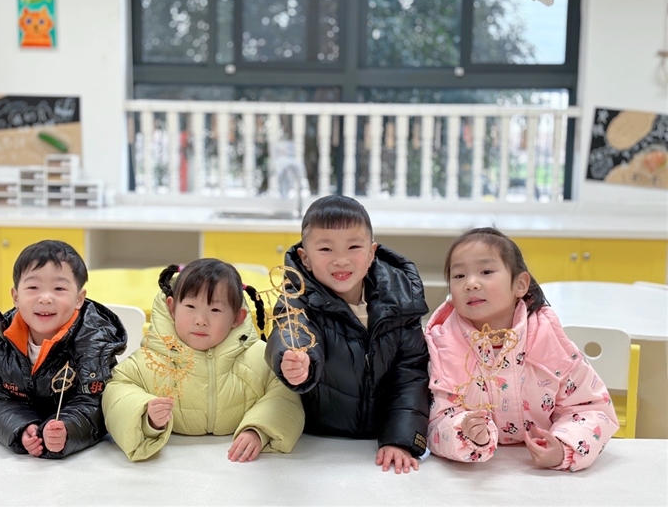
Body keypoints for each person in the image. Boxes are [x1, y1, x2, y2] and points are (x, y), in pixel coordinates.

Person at [425, 227, 618, 471]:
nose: (471, 284)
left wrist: (563, 448)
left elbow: (591, 408)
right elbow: (434, 421)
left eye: (486, 272)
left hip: (539, 477)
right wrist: (464, 433)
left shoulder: (549, 341)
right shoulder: (442, 348)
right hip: (477, 477)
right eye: (459, 275)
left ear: (520, 284)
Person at [265, 195, 430, 474]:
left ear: (371, 252)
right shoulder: (296, 298)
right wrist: (295, 361)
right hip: (317, 442)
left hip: (381, 438)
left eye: (354, 247)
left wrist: (400, 440)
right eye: (326, 249)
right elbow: (290, 331)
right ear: (305, 258)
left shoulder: (402, 301)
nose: (341, 260)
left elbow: (411, 373)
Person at [102, 259, 304, 462]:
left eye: (215, 310)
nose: (200, 320)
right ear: (172, 308)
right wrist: (147, 417)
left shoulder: (260, 358)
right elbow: (117, 389)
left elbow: (284, 393)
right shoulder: (151, 359)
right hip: (173, 466)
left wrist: (258, 431)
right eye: (190, 306)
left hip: (238, 468)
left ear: (237, 318)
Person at [0, 240, 127, 458]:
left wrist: (67, 430)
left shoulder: (94, 350)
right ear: (16, 297)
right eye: (33, 288)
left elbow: (97, 405)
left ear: (79, 299)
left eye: (59, 289)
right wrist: (21, 428)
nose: (45, 298)